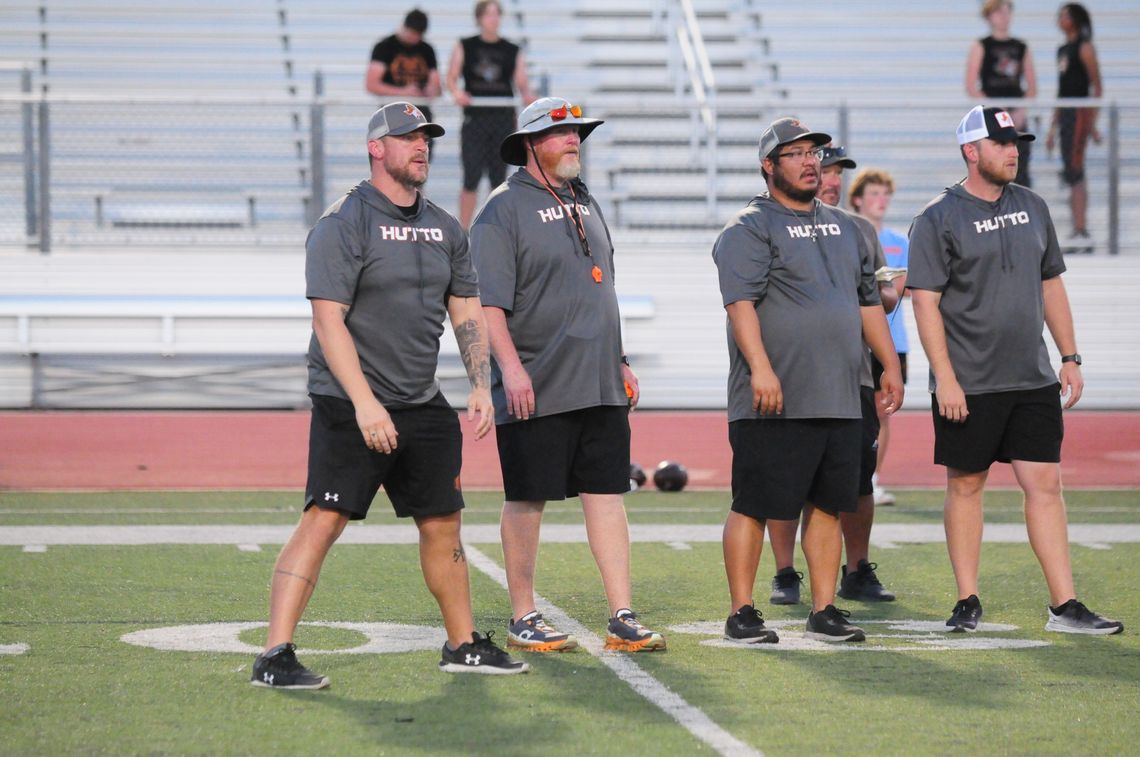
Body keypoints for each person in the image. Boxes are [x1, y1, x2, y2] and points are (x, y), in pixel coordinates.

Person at [251, 102, 528, 689]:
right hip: (350, 399)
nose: (421, 147)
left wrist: (480, 383)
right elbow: (329, 322)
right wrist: (365, 404)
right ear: (376, 148)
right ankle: (274, 654)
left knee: (442, 524)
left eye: (425, 137)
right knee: (324, 518)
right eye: (407, 138)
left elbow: (465, 308)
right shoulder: (344, 221)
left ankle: (461, 645)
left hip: (420, 401)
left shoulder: (445, 226)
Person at [907, 105, 1123, 635]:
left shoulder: (1033, 205)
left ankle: (1064, 604)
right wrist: (946, 377)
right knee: (966, 484)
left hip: (1032, 377)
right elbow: (924, 302)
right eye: (1002, 144)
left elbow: (1051, 284)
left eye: (1016, 143)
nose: (1013, 152)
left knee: (1045, 484)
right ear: (970, 151)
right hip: (971, 381)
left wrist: (1069, 356)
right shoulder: (937, 217)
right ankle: (967, 599)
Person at [469, 96, 665, 654]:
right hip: (537, 381)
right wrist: (510, 370)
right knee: (527, 498)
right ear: (530, 145)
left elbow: (602, 290)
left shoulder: (584, 198)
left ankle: (622, 614)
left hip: (599, 380)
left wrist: (620, 360)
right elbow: (488, 306)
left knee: (607, 493)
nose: (574, 141)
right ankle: (523, 614)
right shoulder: (501, 210)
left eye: (578, 132)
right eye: (560, 134)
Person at [712, 118, 904, 644]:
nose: (808, 161)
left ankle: (823, 609)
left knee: (827, 502)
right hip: (774, 396)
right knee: (754, 502)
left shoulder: (848, 228)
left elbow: (868, 302)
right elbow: (740, 305)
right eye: (793, 153)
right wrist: (762, 368)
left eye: (813, 153)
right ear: (768, 166)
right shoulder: (748, 227)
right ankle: (742, 612)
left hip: (841, 391)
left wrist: (887, 364)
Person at [765, 146, 900, 607]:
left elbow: (880, 296)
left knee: (857, 478)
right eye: (825, 169)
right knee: (788, 480)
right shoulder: (769, 224)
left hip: (852, 370)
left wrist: (883, 299)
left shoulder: (858, 229)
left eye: (838, 172)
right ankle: (785, 571)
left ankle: (857, 568)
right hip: (796, 372)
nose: (831, 179)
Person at [849, 168, 909, 508]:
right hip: (857, 341)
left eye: (885, 194)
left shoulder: (900, 243)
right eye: (874, 194)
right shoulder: (846, 234)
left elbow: (901, 289)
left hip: (893, 339)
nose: (881, 200)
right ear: (857, 199)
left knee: (882, 412)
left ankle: (872, 478)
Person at [447, 0, 536, 228]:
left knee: (499, 178)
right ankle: (464, 231)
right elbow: (451, 77)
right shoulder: (466, 45)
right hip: (475, 119)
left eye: (497, 15)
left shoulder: (511, 49)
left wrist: (529, 96)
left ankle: (497, 229)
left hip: (502, 119)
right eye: (488, 15)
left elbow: (522, 83)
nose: (493, 19)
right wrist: (457, 93)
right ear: (479, 18)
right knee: (471, 177)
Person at [1046, 3, 1102, 253]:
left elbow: (1096, 87)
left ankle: (1082, 229)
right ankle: (1077, 228)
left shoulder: (1085, 47)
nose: (1060, 19)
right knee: (1069, 169)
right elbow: (1062, 92)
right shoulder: (1062, 50)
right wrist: (1051, 130)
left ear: (1077, 20)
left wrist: (1092, 124)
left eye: (1065, 15)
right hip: (1066, 115)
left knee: (1076, 169)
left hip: (1079, 114)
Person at [965, 0, 1037, 187]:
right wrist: (995, 110)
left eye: (1007, 12)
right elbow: (971, 86)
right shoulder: (981, 46)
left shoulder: (1021, 47)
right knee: (991, 170)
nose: (1004, 17)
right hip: (991, 119)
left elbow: (1032, 87)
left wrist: (1020, 111)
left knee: (1019, 170)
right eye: (998, 12)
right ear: (989, 16)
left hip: (1017, 119)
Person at [366, 10, 442, 158]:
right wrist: (404, 92)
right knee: (393, 164)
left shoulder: (426, 49)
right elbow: (372, 84)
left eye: (418, 35)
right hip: (393, 119)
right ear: (404, 26)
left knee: (418, 167)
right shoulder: (385, 47)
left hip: (420, 118)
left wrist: (429, 90)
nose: (414, 38)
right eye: (412, 33)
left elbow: (436, 85)